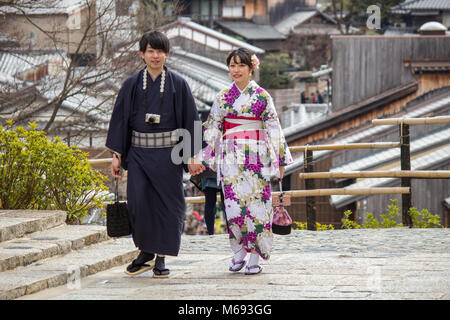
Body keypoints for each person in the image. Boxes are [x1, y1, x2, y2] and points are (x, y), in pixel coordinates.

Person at [189, 48, 293, 275]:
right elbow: (213, 128)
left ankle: (255, 256)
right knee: (233, 206)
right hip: (230, 159)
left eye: (240, 66)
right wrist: (201, 156)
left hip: (257, 158)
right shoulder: (223, 96)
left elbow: (274, 128)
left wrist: (281, 161)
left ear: (250, 68)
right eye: (232, 66)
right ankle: (238, 251)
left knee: (257, 207)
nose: (235, 70)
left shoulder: (263, 97)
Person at [106, 30, 201, 277]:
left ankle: (161, 256)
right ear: (142, 54)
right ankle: (145, 252)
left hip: (169, 156)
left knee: (169, 206)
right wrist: (117, 155)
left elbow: (192, 119)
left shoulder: (179, 84)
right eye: (150, 51)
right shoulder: (131, 84)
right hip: (138, 154)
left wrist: (191, 155)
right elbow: (119, 121)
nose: (155, 55)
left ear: (166, 54)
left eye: (160, 51)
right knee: (139, 204)